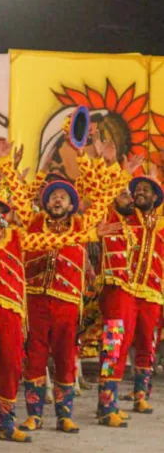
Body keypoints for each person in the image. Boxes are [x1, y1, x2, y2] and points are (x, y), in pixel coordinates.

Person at [0, 139, 121, 434]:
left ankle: (64, 415)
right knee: (35, 357)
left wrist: (87, 157)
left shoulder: (82, 224)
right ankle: (34, 415)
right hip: (36, 301)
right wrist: (4, 166)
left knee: (67, 358)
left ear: (72, 205)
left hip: (67, 302)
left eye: (64, 197)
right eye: (53, 196)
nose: (57, 200)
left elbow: (104, 196)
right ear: (46, 201)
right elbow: (15, 192)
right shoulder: (33, 221)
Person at [96, 175, 164, 424]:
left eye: (146, 190)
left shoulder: (162, 225)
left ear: (156, 198)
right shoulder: (122, 218)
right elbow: (105, 200)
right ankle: (106, 404)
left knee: (148, 344)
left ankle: (140, 394)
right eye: (137, 190)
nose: (140, 194)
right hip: (123, 290)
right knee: (114, 344)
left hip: (152, 292)